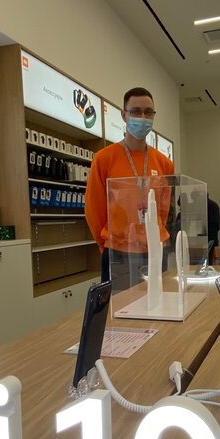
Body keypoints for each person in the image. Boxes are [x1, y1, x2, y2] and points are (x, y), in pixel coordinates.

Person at [85, 87, 174, 290]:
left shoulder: (164, 163)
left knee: (156, 306)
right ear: (124, 115)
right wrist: (106, 243)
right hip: (118, 251)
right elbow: (94, 209)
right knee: (120, 308)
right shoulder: (104, 159)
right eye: (135, 111)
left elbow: (163, 211)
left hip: (154, 250)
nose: (142, 117)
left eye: (148, 112)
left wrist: (155, 235)